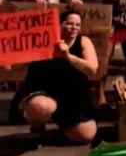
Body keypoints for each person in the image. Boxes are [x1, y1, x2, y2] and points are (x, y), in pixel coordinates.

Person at [17, 11, 98, 144]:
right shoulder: (44, 40)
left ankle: (60, 128)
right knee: (39, 106)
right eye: (69, 24)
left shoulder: (84, 41)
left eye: (78, 25)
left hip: (73, 96)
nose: (74, 28)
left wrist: (68, 56)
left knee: (86, 135)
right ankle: (37, 127)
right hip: (47, 93)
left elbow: (92, 68)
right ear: (59, 25)